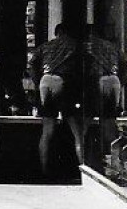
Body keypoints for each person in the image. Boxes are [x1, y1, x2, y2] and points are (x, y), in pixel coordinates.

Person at [29, 23, 86, 178]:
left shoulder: (45, 46)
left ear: (56, 33)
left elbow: (32, 63)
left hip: (45, 81)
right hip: (64, 81)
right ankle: (83, 172)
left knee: (47, 131)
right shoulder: (76, 45)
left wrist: (37, 81)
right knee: (77, 132)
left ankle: (44, 170)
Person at [85, 24, 127, 174]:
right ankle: (113, 159)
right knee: (109, 119)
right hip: (114, 80)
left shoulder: (88, 47)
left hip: (97, 81)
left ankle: (97, 159)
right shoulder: (113, 47)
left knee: (89, 118)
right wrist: (120, 81)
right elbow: (124, 66)